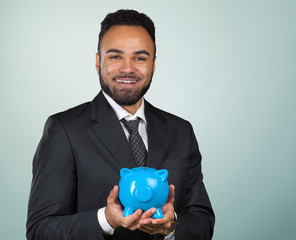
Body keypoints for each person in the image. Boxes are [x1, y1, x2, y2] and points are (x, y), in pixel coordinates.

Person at [26, 9, 215, 240]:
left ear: (153, 64)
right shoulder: (63, 130)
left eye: (140, 57)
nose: (127, 68)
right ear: (98, 62)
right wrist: (106, 220)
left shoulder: (181, 131)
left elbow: (204, 223)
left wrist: (172, 225)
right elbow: (40, 231)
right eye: (115, 56)